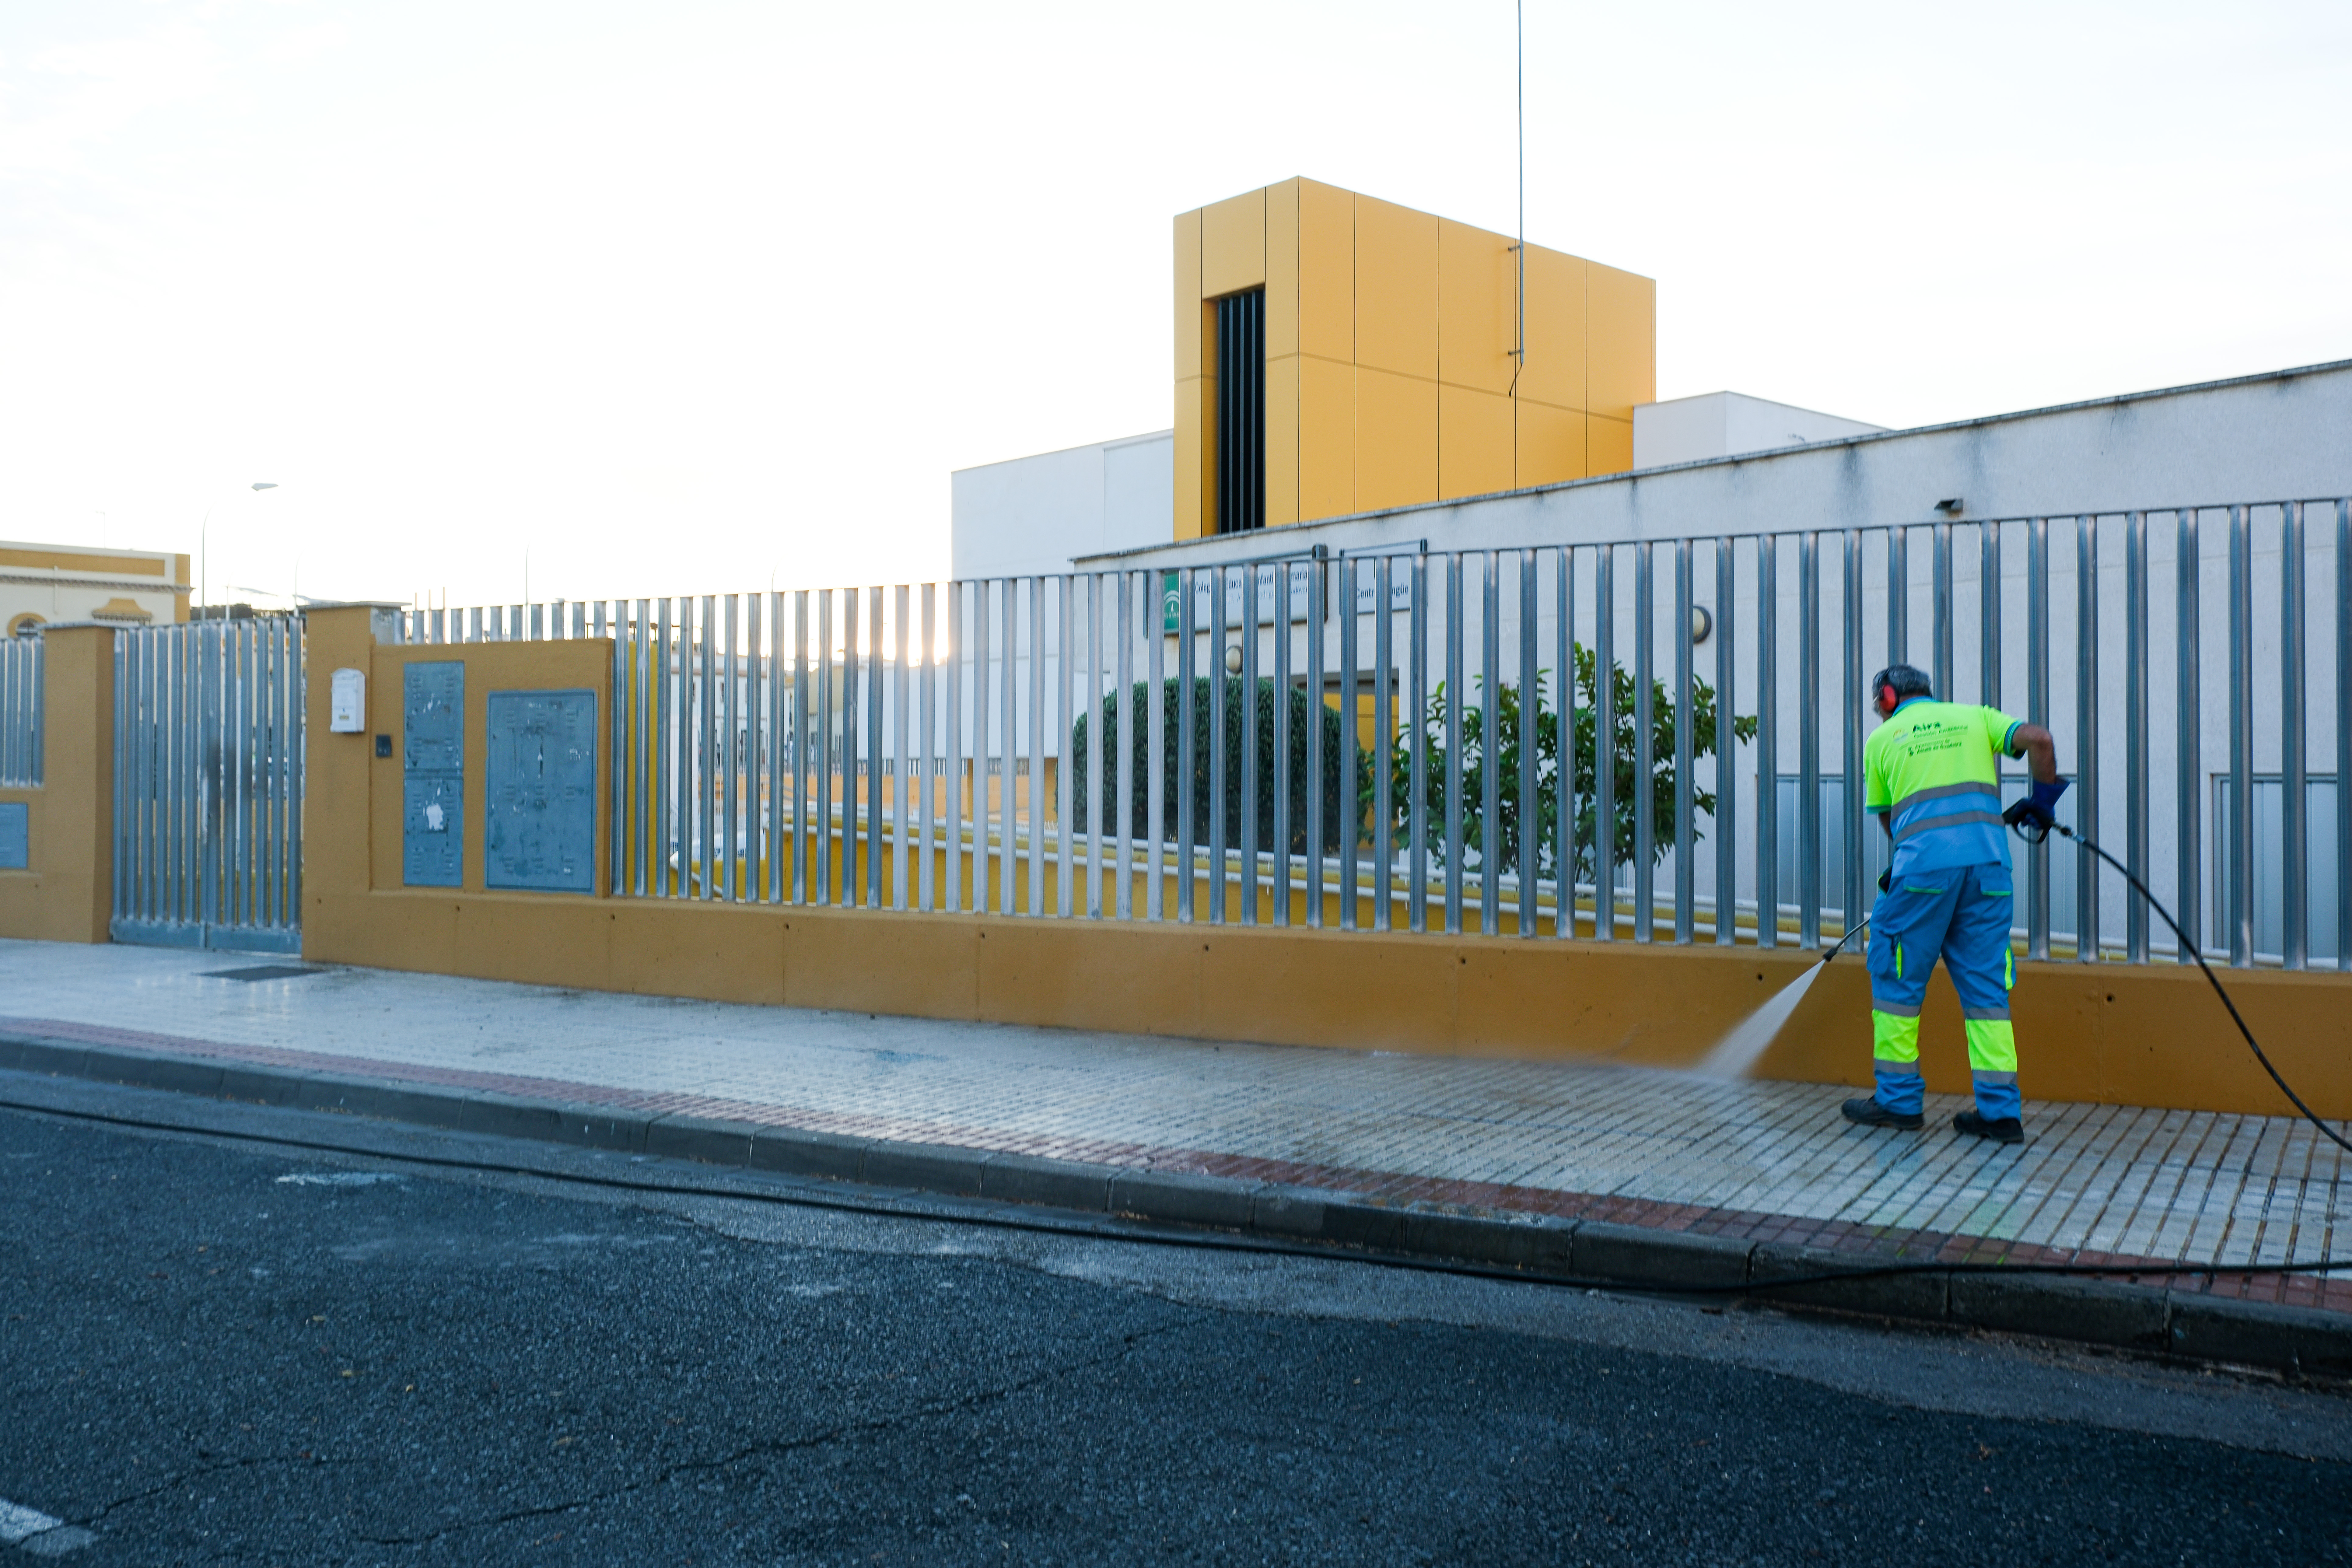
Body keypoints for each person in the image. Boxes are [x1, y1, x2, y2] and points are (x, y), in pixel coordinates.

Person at [1841, 664, 2064, 1144]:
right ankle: (2001, 1114)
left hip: (1922, 877)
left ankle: (1899, 1102)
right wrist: (2042, 805)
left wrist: (1909, 863)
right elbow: (2041, 741)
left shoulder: (1882, 741)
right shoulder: (1975, 718)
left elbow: (1890, 820)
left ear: (1886, 696)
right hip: (1989, 873)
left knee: (1896, 983)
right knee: (1988, 993)